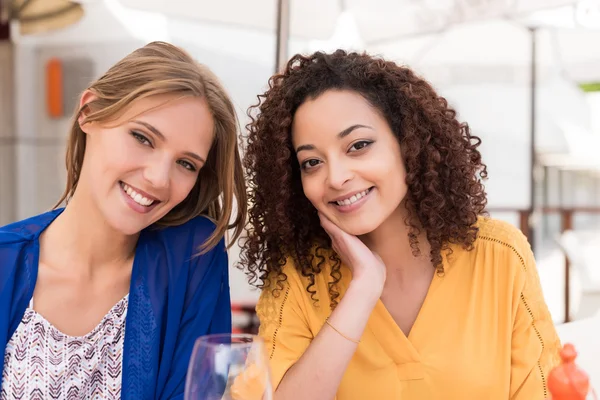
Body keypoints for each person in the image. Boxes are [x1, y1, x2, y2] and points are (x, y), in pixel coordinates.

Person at [238, 50, 561, 399]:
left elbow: (548, 390)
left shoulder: (499, 256)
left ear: (409, 143)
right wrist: (363, 288)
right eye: (312, 162)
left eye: (358, 145)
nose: (336, 177)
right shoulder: (298, 275)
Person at [0, 41, 246, 400]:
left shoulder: (192, 258)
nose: (159, 178)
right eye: (143, 138)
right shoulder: (4, 261)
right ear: (90, 112)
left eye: (186, 163)